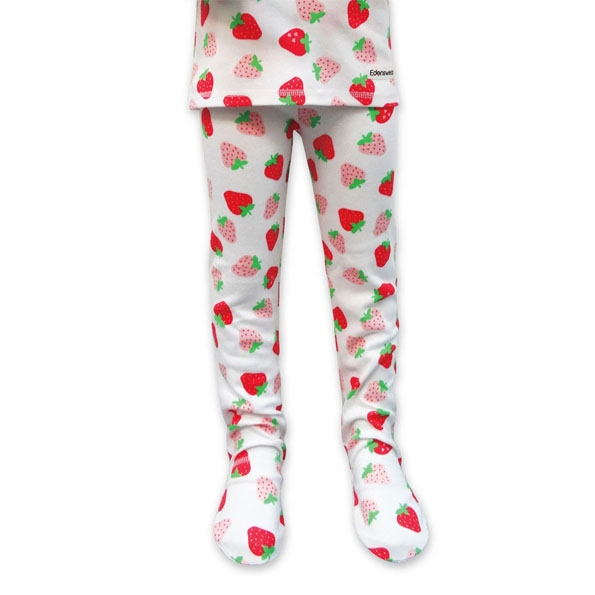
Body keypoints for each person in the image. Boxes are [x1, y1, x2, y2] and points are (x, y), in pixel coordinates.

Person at [188, 0, 428, 565]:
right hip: (236, 55)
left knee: (365, 278)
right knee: (243, 278)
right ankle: (253, 445)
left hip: (355, 55)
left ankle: (372, 440)